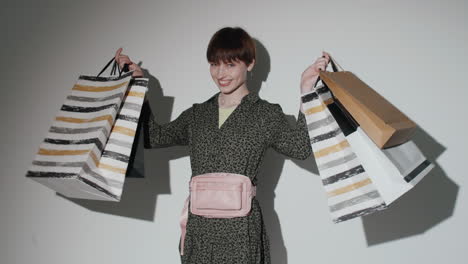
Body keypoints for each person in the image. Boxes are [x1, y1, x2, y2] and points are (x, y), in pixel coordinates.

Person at [115, 27, 330, 264]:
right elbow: (153, 137)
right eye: (214, 64)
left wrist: (306, 90)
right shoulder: (197, 115)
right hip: (200, 229)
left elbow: (300, 147)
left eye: (230, 64)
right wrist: (138, 86)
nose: (221, 73)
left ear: (249, 64)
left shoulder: (265, 114)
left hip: (241, 229)